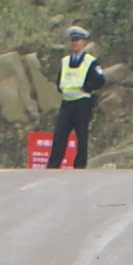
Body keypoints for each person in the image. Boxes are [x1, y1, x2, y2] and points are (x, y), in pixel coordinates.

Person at [46, 23, 107, 171]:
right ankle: (53, 165)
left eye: (77, 40)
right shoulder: (65, 61)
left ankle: (80, 165)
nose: (74, 43)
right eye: (72, 40)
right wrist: (61, 88)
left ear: (83, 42)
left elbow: (100, 80)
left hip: (82, 102)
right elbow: (60, 79)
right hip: (67, 102)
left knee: (81, 135)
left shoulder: (90, 61)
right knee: (59, 135)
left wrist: (86, 87)